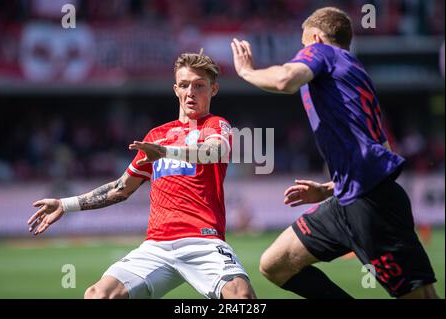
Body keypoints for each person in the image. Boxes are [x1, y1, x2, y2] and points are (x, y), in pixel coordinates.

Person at [231, 7, 438, 299]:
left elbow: (284, 81)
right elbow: (380, 147)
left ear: (316, 38)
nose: (302, 53)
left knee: (420, 297)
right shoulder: (354, 73)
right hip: (347, 199)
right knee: (275, 264)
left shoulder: (323, 54)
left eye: (303, 46)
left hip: (371, 204)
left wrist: (247, 71)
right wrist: (332, 187)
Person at [27, 50, 256, 299]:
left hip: (203, 241)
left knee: (241, 298)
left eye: (199, 86)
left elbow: (214, 150)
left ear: (213, 90)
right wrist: (65, 204)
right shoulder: (156, 136)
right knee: (98, 295)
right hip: (157, 246)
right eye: (184, 85)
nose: (191, 92)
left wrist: (166, 152)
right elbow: (121, 188)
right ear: (175, 90)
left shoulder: (215, 125)